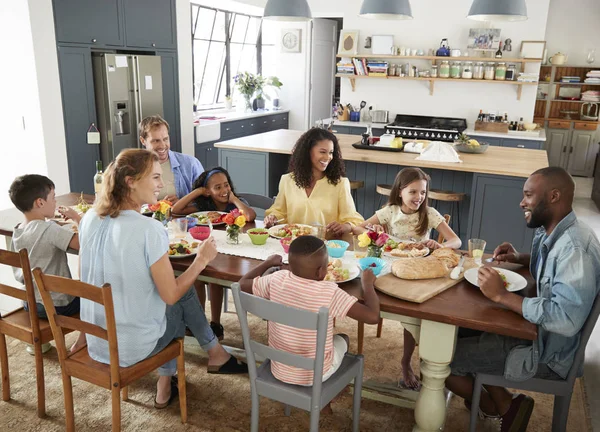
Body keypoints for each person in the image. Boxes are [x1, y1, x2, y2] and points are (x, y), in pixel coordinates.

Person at [76, 149, 247, 409]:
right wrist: (201, 260)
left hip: (98, 340)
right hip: (131, 347)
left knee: (173, 291)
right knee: (179, 294)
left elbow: (85, 277)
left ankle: (209, 358)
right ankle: (176, 376)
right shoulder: (148, 228)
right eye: (155, 177)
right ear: (131, 181)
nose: (161, 184)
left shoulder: (89, 218)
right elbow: (171, 295)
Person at [445, 167, 600, 432]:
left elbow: (565, 320)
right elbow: (554, 270)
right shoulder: (555, 231)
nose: (521, 202)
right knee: (459, 332)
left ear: (553, 196)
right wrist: (522, 258)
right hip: (537, 335)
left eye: (528, 195)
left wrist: (501, 295)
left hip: (548, 354)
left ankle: (498, 405)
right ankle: (502, 400)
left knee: (441, 361)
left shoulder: (576, 250)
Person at [354, 167, 461, 390]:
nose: (419, 197)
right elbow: (359, 228)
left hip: (414, 268)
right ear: (400, 191)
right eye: (413, 192)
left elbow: (456, 241)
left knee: (413, 313)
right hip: (387, 267)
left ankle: (409, 360)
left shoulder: (429, 214)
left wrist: (440, 245)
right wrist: (373, 230)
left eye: (423, 192)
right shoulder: (390, 211)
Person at [239, 235, 380, 396]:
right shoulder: (330, 292)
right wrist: (367, 284)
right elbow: (373, 316)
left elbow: (242, 284)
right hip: (315, 375)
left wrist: (268, 262)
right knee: (343, 339)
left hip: (279, 368)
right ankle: (330, 392)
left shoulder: (276, 279)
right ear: (321, 272)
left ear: (290, 266)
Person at [171, 167, 256, 340]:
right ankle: (199, 321)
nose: (224, 190)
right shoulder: (203, 205)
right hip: (207, 245)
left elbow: (249, 215)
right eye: (217, 187)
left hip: (231, 251)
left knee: (216, 280)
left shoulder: (235, 203)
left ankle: (215, 323)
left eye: (226, 185)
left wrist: (233, 198)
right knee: (199, 278)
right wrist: (197, 192)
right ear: (208, 192)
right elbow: (176, 210)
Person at [8, 174, 81, 355]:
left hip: (31, 302)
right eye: (53, 197)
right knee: (95, 297)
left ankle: (39, 344)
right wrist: (77, 218)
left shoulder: (18, 230)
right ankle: (84, 341)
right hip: (59, 304)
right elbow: (81, 243)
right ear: (40, 202)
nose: (55, 202)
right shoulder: (48, 229)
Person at [263, 128, 363, 237]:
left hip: (325, 246)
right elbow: (279, 211)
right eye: (322, 152)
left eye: (331, 153)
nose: (328, 157)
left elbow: (353, 220)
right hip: (292, 243)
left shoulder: (340, 184)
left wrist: (344, 226)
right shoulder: (287, 181)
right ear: (308, 151)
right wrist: (273, 218)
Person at [139, 115, 203, 204]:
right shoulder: (135, 168)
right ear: (143, 141)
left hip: (182, 217)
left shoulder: (191, 164)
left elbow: (205, 199)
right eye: (156, 141)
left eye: (165, 139)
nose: (162, 145)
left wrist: (182, 203)